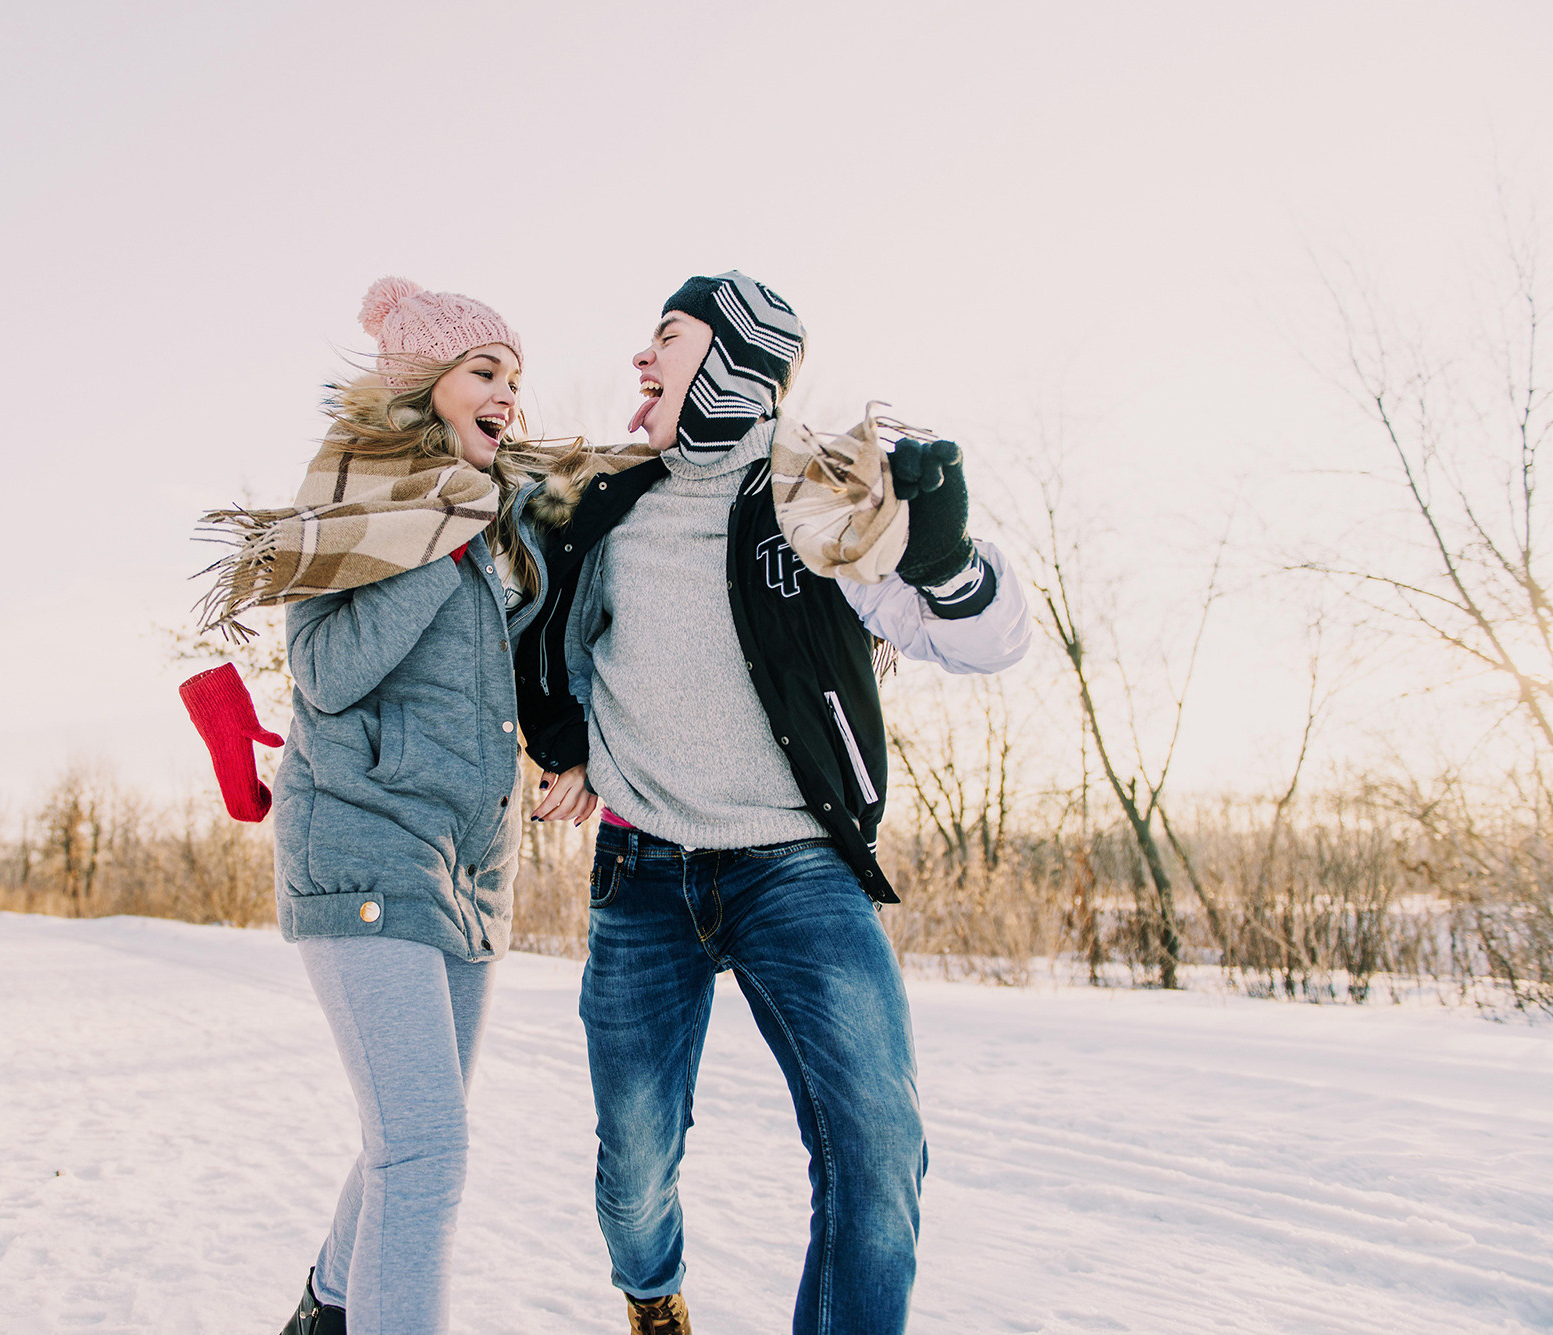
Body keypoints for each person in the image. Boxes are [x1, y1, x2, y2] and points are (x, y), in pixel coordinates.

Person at [509, 271, 1032, 1335]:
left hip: (795, 868)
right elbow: (544, 640)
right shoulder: (604, 508)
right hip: (641, 867)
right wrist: (565, 746)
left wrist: (946, 565)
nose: (638, 361)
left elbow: (987, 638)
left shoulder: (816, 496)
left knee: (877, 1147)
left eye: (664, 337)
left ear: (735, 357)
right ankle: (650, 1294)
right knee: (631, 1170)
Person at [193, 276, 541, 1335]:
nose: (508, 396)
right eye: (486, 372)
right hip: (359, 846)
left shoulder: (495, 516)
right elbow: (329, 673)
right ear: (422, 385)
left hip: (469, 868)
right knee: (425, 1151)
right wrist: (434, 543)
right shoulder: (353, 502)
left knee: (409, 1139)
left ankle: (326, 1311)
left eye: (514, 379)